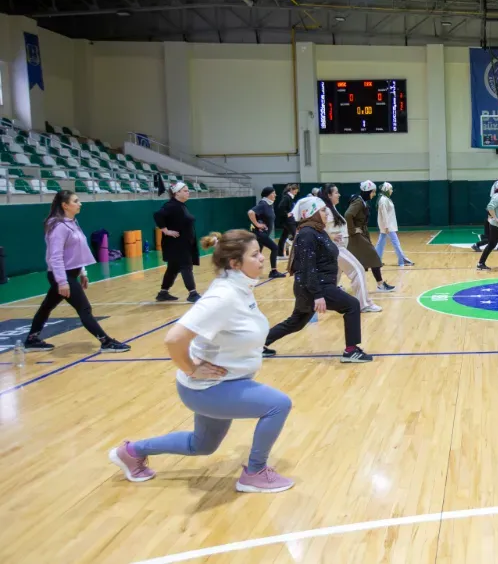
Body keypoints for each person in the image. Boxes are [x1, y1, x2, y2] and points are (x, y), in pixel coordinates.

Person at [109, 230, 295, 492]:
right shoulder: (223, 296)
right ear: (235, 263)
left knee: (202, 445)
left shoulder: (240, 287)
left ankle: (131, 452)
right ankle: (255, 473)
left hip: (222, 384)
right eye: (255, 255)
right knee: (278, 405)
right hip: (210, 389)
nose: (262, 258)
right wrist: (191, 369)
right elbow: (174, 339)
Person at [265, 196, 372, 362]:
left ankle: (258, 345)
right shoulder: (307, 234)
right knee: (352, 305)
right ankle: (351, 351)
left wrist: (331, 239)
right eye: (322, 210)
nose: (327, 213)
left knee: (297, 322)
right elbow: (307, 267)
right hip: (316, 285)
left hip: (313, 285)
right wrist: (318, 295)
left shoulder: (317, 231)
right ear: (311, 213)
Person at [22, 191, 130, 353]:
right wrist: (62, 281)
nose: (80, 204)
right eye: (76, 201)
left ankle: (31, 340)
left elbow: (77, 251)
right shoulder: (58, 226)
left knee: (46, 307)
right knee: (84, 309)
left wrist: (82, 272)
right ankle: (106, 342)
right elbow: (55, 256)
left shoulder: (72, 222)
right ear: (65, 205)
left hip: (71, 273)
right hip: (62, 275)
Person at [318, 184, 381, 315]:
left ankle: (321, 301)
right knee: (358, 270)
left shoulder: (331, 208)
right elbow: (318, 227)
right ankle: (363, 304)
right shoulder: (326, 210)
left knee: (333, 279)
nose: (339, 195)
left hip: (338, 248)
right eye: (336, 192)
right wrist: (330, 236)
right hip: (336, 249)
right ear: (329, 195)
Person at [154, 182, 201, 303]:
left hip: (184, 243)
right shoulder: (171, 205)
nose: (188, 192)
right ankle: (192, 293)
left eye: (188, 190)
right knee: (186, 266)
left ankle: (163, 293)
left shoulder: (181, 206)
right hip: (176, 244)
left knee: (173, 268)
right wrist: (166, 231)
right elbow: (158, 215)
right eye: (185, 191)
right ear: (177, 193)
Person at [345, 180, 395, 292]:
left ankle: (377, 285)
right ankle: (380, 285)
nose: (374, 194)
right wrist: (352, 230)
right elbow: (348, 215)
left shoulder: (362, 201)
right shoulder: (358, 202)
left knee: (359, 261)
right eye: (373, 192)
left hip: (362, 234)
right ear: (367, 192)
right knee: (374, 257)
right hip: (358, 236)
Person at [247, 186, 286, 279]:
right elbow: (250, 212)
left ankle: (249, 272)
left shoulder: (269, 204)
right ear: (268, 195)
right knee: (275, 248)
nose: (275, 195)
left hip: (263, 233)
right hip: (260, 233)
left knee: (257, 252)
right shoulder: (263, 204)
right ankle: (273, 271)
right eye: (273, 193)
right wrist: (257, 224)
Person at [374, 182, 415, 267]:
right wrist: (386, 226)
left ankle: (376, 260)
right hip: (388, 226)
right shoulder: (383, 200)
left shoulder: (385, 198)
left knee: (381, 242)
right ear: (386, 190)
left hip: (387, 225)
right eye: (390, 189)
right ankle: (402, 260)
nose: (392, 191)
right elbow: (384, 214)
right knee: (396, 242)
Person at [275, 184, 299, 258]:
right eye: (295, 192)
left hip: (288, 221)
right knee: (296, 235)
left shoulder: (289, 197)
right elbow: (280, 207)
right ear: (291, 190)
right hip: (288, 221)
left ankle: (279, 254)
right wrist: (286, 214)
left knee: (284, 236)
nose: (296, 193)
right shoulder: (287, 197)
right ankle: (298, 254)